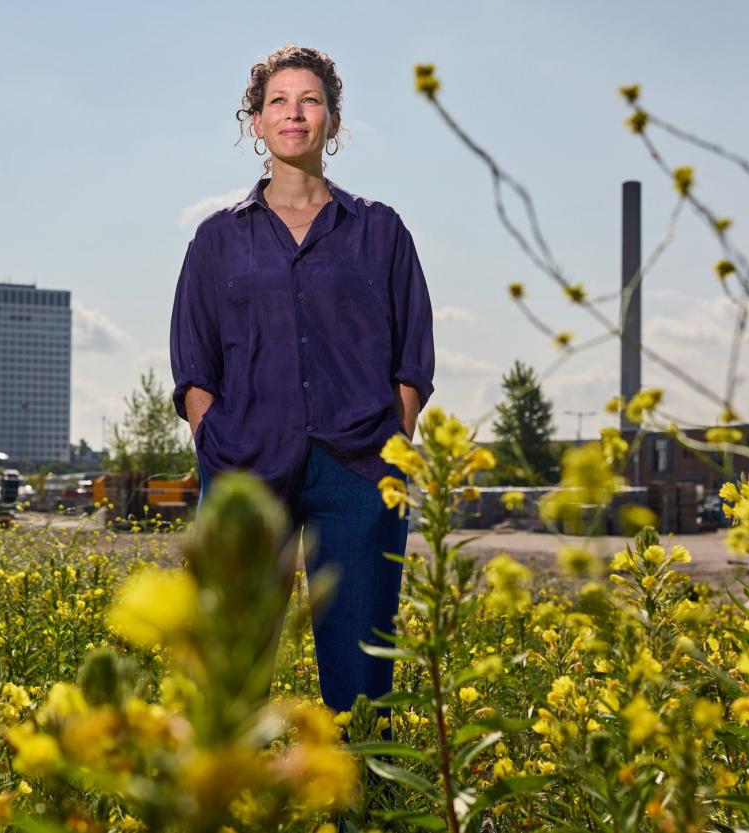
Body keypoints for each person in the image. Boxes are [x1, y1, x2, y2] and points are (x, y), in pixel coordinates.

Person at [170, 45, 436, 714]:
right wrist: (214, 438)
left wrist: (393, 441)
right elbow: (194, 362)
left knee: (362, 687)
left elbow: (413, 354)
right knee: (229, 680)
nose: (294, 113)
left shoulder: (381, 231)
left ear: (333, 122)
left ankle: (363, 788)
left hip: (359, 474)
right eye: (279, 102)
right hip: (244, 471)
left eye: (310, 101)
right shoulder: (216, 240)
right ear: (256, 122)